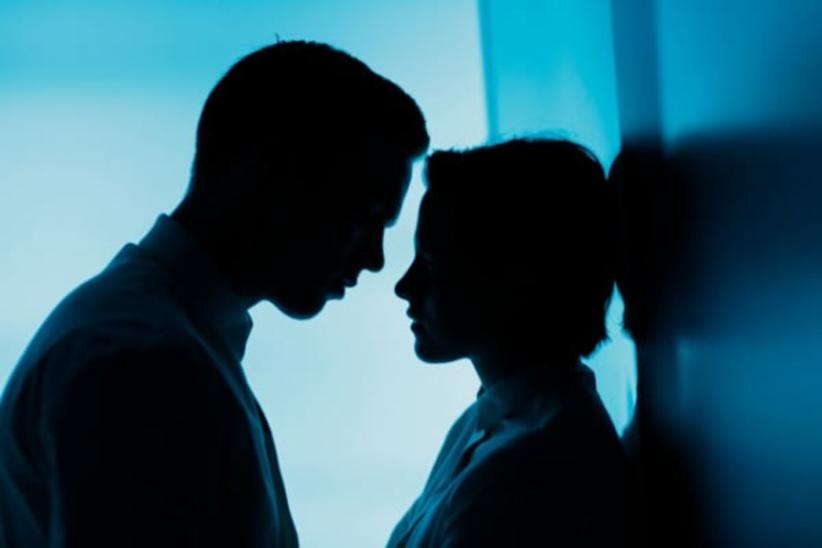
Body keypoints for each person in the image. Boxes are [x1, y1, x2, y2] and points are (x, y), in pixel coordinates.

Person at [0, 41, 428, 547]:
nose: (376, 258)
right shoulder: (145, 360)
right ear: (268, 172)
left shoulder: (152, 336)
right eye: (365, 214)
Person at [388, 139, 630, 547]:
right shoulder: (488, 423)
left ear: (517, 277)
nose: (404, 286)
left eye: (431, 263)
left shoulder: (524, 467)